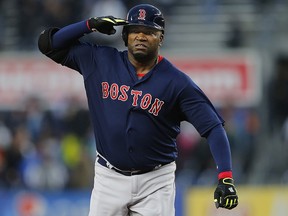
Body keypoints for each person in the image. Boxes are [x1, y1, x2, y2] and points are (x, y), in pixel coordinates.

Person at [38, 3, 238, 216]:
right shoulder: (101, 61)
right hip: (109, 176)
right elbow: (48, 44)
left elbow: (213, 128)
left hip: (155, 181)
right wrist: (89, 25)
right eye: (135, 31)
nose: (141, 36)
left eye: (149, 32)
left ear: (160, 38)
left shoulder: (178, 83)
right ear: (125, 36)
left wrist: (225, 176)